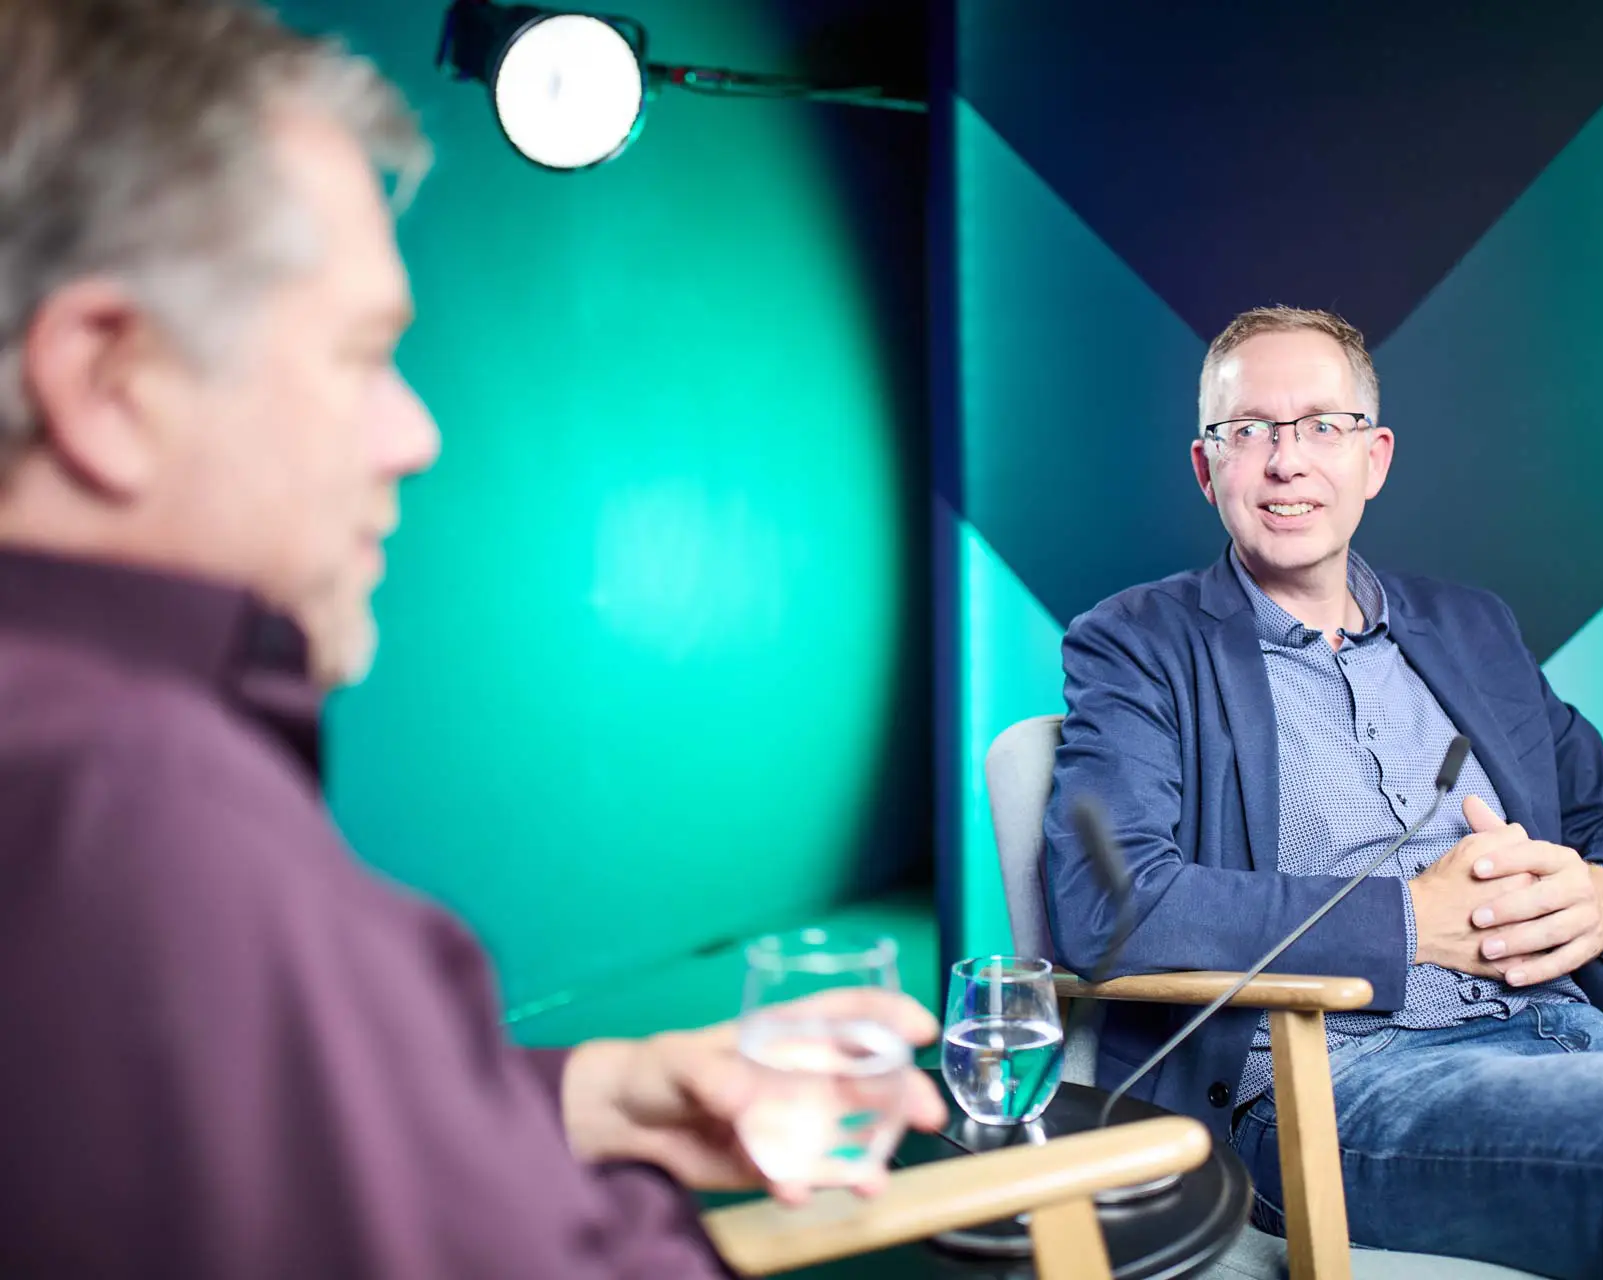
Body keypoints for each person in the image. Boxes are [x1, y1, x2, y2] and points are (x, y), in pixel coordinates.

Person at [0, 2, 942, 1275]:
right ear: (108, 382)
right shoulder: (149, 811)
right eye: (361, 355)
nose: (414, 435)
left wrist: (593, 1094)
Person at [1043, 304, 1603, 1278]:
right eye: (1250, 430)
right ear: (1209, 468)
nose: (1288, 461)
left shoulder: (1470, 628)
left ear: (1373, 458)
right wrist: (1414, 921)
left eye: (1323, 426)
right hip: (1335, 1085)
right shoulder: (1139, 642)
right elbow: (1109, 904)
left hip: (1579, 1044)